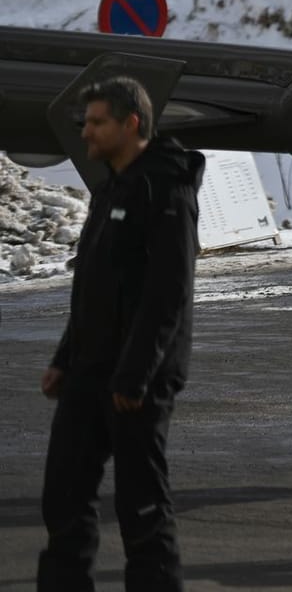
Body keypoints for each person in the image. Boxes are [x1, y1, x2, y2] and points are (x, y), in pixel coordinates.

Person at [39, 77, 205, 592]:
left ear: (131, 124)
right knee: (63, 498)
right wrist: (65, 358)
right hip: (88, 373)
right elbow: (92, 283)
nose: (85, 132)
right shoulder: (112, 185)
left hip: (138, 382)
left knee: (141, 511)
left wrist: (134, 377)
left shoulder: (165, 186)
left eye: (97, 122)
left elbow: (167, 293)